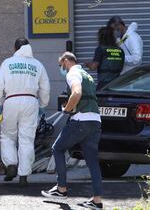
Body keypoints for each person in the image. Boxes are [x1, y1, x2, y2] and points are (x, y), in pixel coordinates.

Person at [42, 52, 103, 210]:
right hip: (95, 121)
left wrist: (67, 109)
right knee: (92, 162)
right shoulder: (86, 75)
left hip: (80, 121)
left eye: (60, 65)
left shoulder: (73, 73)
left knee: (57, 148)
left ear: (66, 61)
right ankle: (97, 201)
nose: (61, 68)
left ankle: (61, 189)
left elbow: (76, 93)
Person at [0, 38, 50, 184]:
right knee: (26, 139)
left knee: (8, 136)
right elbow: (45, 88)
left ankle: (11, 164)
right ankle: (23, 175)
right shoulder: (37, 65)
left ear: (15, 48)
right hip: (31, 102)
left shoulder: (7, 63)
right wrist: (42, 105)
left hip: (11, 100)